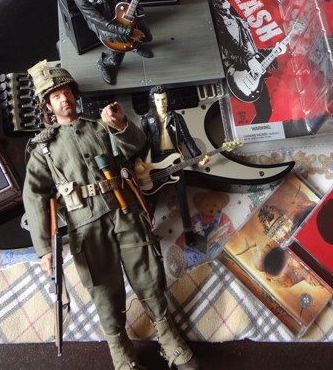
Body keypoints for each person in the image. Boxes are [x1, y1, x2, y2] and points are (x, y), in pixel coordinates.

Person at [22, 60, 200, 370]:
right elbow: (34, 194)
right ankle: (120, 352)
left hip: (124, 211)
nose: (64, 99)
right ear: (47, 106)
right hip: (84, 226)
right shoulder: (43, 149)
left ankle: (168, 336)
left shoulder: (99, 126)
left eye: (67, 93)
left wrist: (120, 125)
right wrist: (43, 249)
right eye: (56, 96)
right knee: (104, 289)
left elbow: (136, 146)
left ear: (75, 95)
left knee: (148, 274)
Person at [135, 86, 210, 247]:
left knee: (182, 197)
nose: (161, 103)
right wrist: (138, 160)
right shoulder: (147, 120)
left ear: (167, 99)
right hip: (156, 162)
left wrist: (198, 158)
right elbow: (142, 144)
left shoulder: (176, 118)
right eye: (158, 100)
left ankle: (189, 234)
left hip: (175, 159)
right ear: (153, 101)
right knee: (151, 199)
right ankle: (145, 233)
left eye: (164, 99)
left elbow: (187, 139)